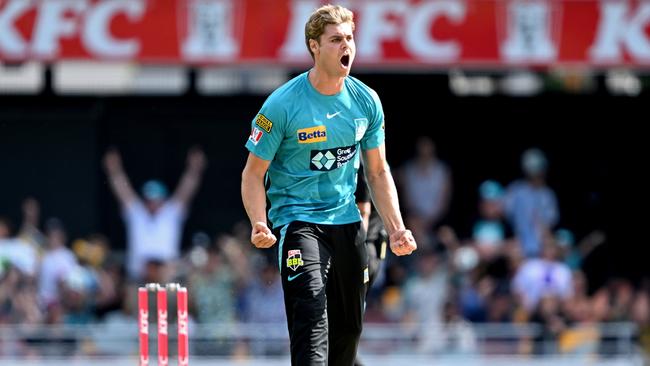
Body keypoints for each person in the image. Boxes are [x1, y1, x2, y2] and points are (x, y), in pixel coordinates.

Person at [240, 5, 417, 365]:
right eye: (335, 39)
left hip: (347, 223)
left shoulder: (366, 101)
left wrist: (397, 228)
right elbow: (252, 174)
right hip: (299, 224)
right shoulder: (281, 104)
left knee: (349, 331)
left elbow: (378, 173)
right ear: (314, 47)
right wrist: (259, 221)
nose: (345, 46)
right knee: (312, 320)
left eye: (349, 38)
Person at [103, 146, 206, 282]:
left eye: (155, 200)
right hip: (138, 279)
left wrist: (194, 170)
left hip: (168, 278)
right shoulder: (137, 212)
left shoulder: (171, 212)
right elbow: (123, 192)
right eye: (148, 199)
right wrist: (114, 171)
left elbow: (185, 191)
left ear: (163, 199)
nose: (152, 203)